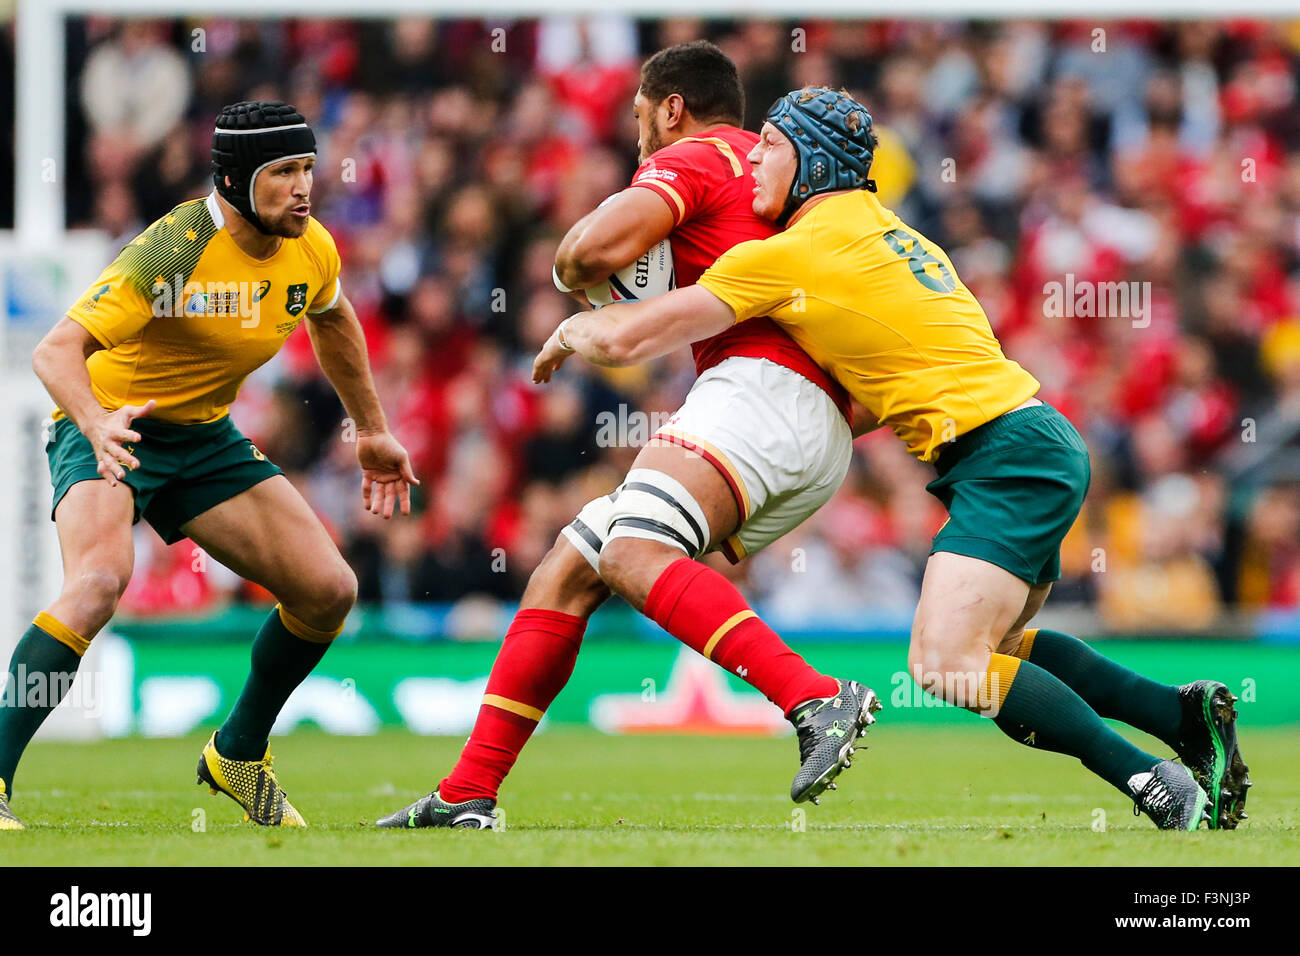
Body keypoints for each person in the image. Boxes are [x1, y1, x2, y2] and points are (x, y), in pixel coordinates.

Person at [534, 87, 1250, 831]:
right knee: (995, 648)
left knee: (947, 663)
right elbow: (889, 384)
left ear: (810, 161)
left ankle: (1151, 782)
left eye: (770, 148)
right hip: (1030, 439)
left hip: (1005, 456)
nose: (752, 167)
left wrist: (576, 329)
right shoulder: (900, 237)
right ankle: (1181, 717)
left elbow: (629, 339)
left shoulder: (789, 254)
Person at [378, 43, 877, 831]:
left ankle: (813, 697)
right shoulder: (777, 168)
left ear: (670, 107)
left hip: (760, 391)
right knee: (566, 573)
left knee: (632, 555)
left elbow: (586, 252)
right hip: (811, 417)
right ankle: (467, 792)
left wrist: (580, 285)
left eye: (641, 116)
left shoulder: (699, 154)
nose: (638, 133)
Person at [0, 101, 417, 832]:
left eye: (307, 170)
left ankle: (237, 752)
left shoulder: (311, 247)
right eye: (282, 172)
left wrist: (373, 430)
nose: (302, 188)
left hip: (202, 439)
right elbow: (54, 350)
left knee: (327, 590)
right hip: (111, 426)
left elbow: (333, 317)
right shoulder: (175, 247)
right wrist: (96, 423)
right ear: (234, 178)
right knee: (98, 583)